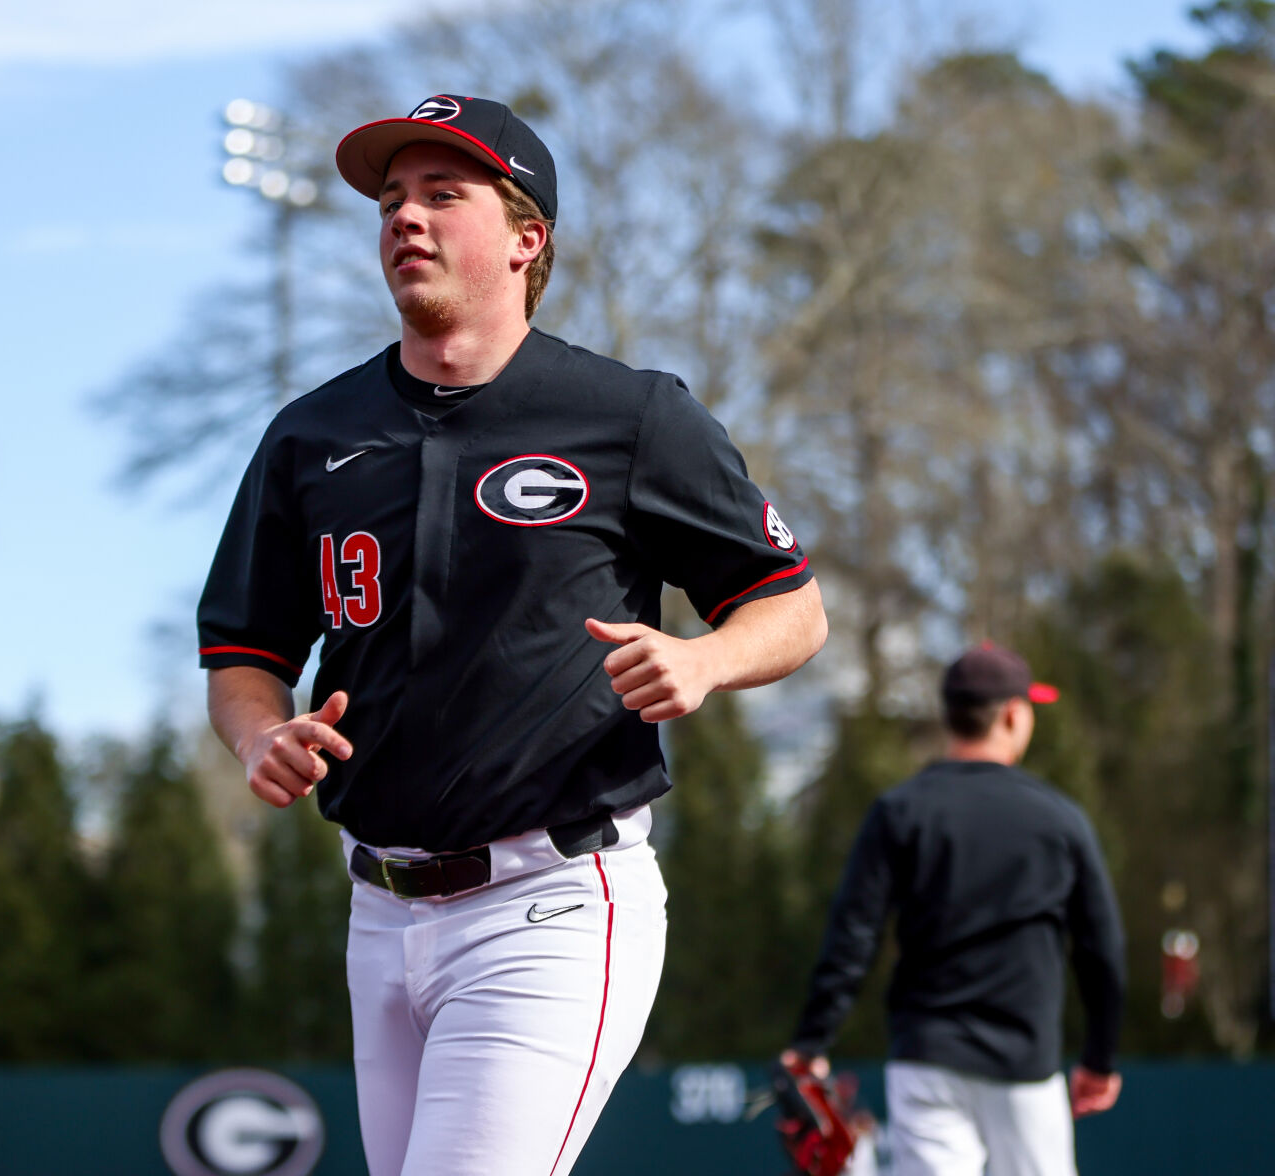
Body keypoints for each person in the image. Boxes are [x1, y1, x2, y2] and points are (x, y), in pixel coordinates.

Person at [197, 94, 827, 1176]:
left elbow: (793, 606)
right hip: (378, 916)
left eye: (445, 194)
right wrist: (259, 736)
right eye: (391, 198)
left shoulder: (628, 416)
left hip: (550, 898)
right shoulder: (313, 434)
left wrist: (704, 658)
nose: (406, 217)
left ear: (526, 238)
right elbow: (242, 653)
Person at [783, 643, 1125, 1176]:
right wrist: (1099, 1060)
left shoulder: (900, 810)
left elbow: (853, 937)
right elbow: (1101, 949)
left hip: (927, 1059)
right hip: (1025, 1068)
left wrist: (811, 1041)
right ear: (1014, 714)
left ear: (950, 715)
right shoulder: (1059, 819)